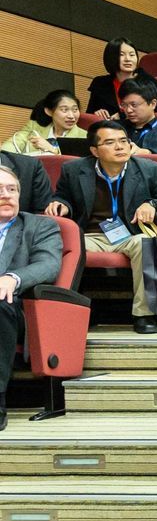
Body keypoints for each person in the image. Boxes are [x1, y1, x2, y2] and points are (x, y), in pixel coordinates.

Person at [0, 163, 64, 428]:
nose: (6, 195)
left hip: (17, 308)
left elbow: (48, 265)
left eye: (11, 189)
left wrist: (12, 279)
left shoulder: (39, 226)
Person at [103, 78, 157, 158]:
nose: (128, 110)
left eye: (134, 105)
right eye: (124, 105)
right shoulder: (116, 127)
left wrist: (148, 152)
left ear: (153, 104)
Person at [5, 89, 73, 155]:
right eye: (64, 110)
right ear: (49, 111)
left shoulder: (82, 134)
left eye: (75, 110)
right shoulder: (34, 126)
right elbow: (14, 143)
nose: (71, 116)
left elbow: (78, 163)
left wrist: (52, 150)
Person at [86, 38, 143, 116]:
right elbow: (89, 114)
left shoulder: (146, 83)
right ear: (111, 57)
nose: (128, 59)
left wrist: (122, 116)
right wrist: (97, 114)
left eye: (132, 55)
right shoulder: (100, 84)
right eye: (121, 55)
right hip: (107, 127)